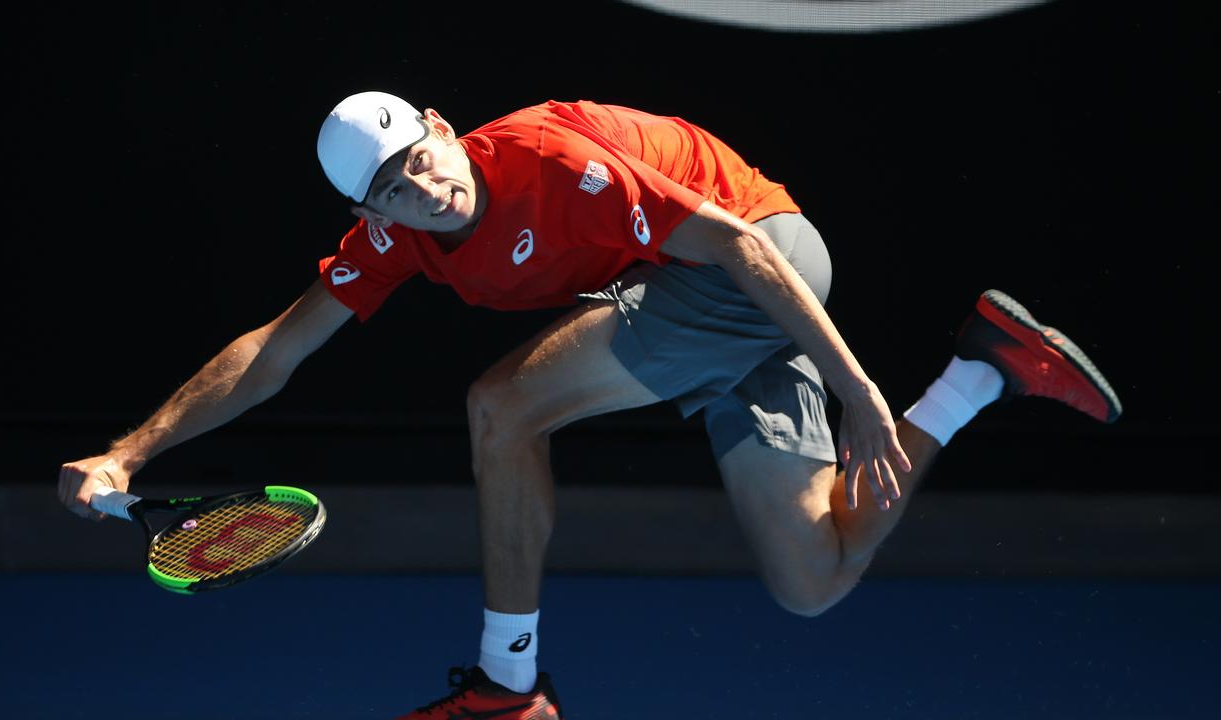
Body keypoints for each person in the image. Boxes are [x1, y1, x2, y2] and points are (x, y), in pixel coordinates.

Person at [58, 91, 1121, 719]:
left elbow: (744, 248)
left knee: (500, 407)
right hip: (703, 311)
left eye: (420, 158)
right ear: (365, 208)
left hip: (755, 265)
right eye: (389, 187)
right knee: (814, 578)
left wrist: (853, 389)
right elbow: (272, 351)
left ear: (440, 127)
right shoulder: (395, 241)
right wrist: (128, 453)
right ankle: (984, 368)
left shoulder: (549, 163)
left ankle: (507, 687)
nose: (420, 187)